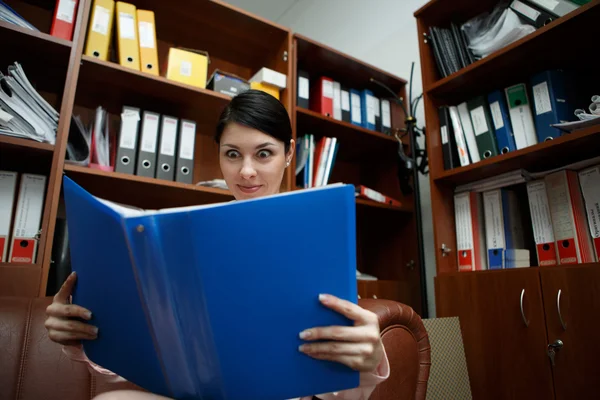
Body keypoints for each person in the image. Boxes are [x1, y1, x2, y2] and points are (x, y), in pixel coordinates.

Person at [44, 90, 390, 400]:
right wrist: (81, 335)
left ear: (289, 154)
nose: (247, 171)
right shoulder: (189, 239)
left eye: (264, 153)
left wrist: (368, 360)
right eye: (233, 154)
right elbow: (147, 358)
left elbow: (340, 388)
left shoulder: (314, 235)